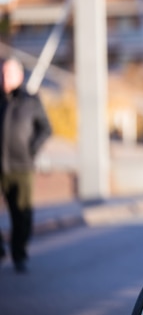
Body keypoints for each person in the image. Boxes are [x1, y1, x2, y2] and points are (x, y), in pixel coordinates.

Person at [0, 57, 52, 273]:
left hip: (22, 166)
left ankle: (18, 254)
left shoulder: (31, 100)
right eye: (2, 73)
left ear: (20, 76)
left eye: (9, 73)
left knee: (22, 214)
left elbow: (46, 129)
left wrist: (31, 150)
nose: (5, 78)